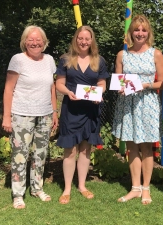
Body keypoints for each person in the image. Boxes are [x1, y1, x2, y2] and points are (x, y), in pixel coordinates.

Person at [2, 25, 58, 209]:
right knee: (20, 154)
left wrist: (54, 112)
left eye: (38, 40)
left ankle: (37, 188)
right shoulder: (17, 60)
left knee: (40, 154)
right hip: (22, 114)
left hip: (45, 114)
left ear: (44, 42)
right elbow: (8, 89)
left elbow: (52, 88)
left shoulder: (49, 60)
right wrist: (6, 117)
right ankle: (18, 194)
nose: (34, 43)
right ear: (24, 42)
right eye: (30, 39)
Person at [111, 14, 163, 205]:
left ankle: (146, 188)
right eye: (136, 29)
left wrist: (145, 85)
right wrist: (120, 88)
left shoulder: (155, 54)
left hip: (147, 103)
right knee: (132, 146)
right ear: (131, 33)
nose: (140, 33)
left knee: (146, 147)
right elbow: (118, 80)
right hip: (128, 104)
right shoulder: (122, 55)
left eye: (143, 30)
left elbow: (162, 82)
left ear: (148, 32)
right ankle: (135, 187)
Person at [55, 25, 109, 204]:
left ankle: (82, 186)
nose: (84, 42)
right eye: (80, 38)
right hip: (71, 110)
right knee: (70, 150)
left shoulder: (99, 61)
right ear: (75, 39)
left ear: (92, 41)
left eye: (87, 39)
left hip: (91, 111)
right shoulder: (66, 60)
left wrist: (100, 94)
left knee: (86, 149)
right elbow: (59, 84)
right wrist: (68, 93)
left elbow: (102, 84)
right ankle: (67, 188)